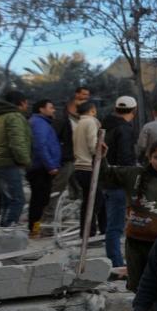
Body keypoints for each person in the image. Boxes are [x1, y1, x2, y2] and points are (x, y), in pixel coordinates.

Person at [100, 139, 157, 292]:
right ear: (149, 156)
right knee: (137, 285)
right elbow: (105, 175)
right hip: (135, 242)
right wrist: (100, 157)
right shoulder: (133, 175)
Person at [101, 97, 140, 268]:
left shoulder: (105, 126)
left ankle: (115, 258)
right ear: (134, 110)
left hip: (107, 178)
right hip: (119, 181)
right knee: (116, 225)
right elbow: (126, 158)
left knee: (113, 223)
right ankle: (116, 262)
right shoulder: (124, 129)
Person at [0, 90, 31, 228]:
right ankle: (7, 232)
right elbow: (17, 143)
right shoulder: (14, 117)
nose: (27, 105)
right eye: (26, 102)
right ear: (21, 103)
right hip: (9, 163)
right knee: (17, 200)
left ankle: (3, 230)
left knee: (8, 200)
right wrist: (25, 161)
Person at [27, 99, 61, 239]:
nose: (53, 110)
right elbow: (40, 146)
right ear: (41, 109)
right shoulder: (39, 124)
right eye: (51, 107)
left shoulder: (42, 123)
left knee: (41, 199)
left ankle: (35, 228)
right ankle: (34, 230)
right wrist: (50, 165)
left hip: (42, 167)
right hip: (40, 168)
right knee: (38, 200)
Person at [72, 101, 102, 238]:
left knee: (88, 201)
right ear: (92, 109)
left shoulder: (78, 123)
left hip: (79, 166)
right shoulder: (90, 122)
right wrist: (100, 155)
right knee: (96, 201)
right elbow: (93, 144)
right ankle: (91, 231)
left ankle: (87, 231)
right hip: (89, 166)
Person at [53, 86, 91, 193]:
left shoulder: (84, 117)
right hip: (68, 155)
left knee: (78, 182)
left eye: (88, 95)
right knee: (61, 184)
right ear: (76, 94)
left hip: (80, 154)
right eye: (84, 94)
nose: (86, 97)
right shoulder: (63, 118)